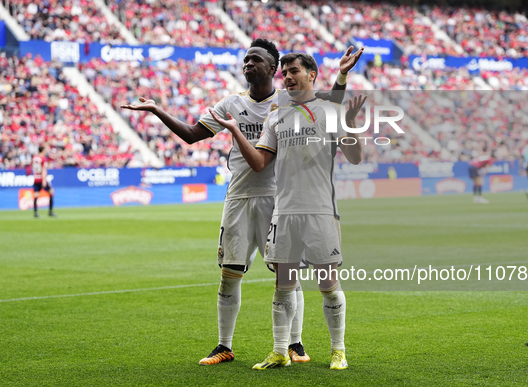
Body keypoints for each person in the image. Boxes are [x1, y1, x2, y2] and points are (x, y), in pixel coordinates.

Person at [121, 40, 363, 365]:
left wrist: (342, 81)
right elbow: (193, 134)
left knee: (286, 275)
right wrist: (156, 110)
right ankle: (225, 345)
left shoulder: (288, 102)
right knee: (230, 271)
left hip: (279, 200)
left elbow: (328, 107)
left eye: (256, 59)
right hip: (238, 196)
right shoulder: (231, 103)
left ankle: (295, 344)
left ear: (273, 69)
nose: (248, 63)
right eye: (246, 59)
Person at [208, 52, 366, 370]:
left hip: (321, 211)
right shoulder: (277, 116)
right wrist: (235, 131)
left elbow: (355, 156)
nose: (287, 77)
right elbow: (259, 162)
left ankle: (339, 350)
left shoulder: (329, 110)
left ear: (312, 75)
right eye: (284, 74)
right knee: (283, 286)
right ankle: (280, 351)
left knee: (328, 285)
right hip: (283, 212)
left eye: (294, 71)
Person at [32, 146, 56, 218]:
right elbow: (43, 169)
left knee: (36, 195)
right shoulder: (43, 158)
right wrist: (44, 180)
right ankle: (50, 211)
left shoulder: (34, 158)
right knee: (51, 192)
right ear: (42, 150)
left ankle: (35, 213)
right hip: (41, 178)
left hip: (36, 178)